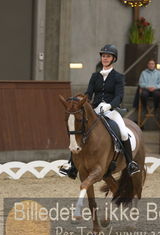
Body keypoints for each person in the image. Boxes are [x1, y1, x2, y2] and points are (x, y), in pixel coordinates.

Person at [59, 44, 140, 179]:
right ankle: (71, 165)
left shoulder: (118, 77)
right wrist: (81, 101)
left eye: (108, 56)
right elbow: (89, 93)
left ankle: (131, 163)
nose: (105, 58)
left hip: (111, 111)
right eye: (103, 56)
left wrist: (109, 106)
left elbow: (119, 96)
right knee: (80, 132)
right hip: (95, 110)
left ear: (113, 59)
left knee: (124, 132)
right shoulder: (95, 76)